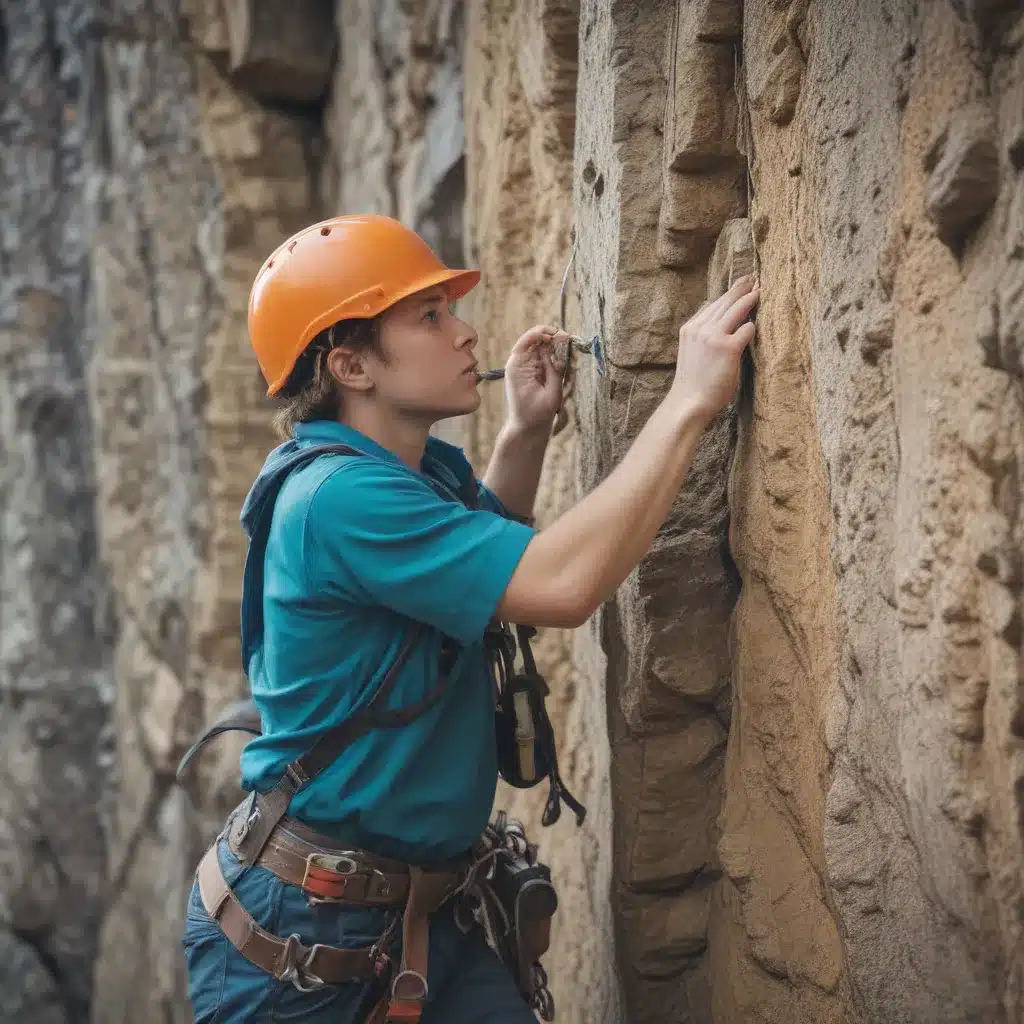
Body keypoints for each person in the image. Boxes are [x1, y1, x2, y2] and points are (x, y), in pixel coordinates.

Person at [181, 214, 758, 1023]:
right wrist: (690, 402)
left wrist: (523, 433)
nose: (465, 332)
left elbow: (469, 571)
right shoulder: (342, 499)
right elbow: (559, 586)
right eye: (428, 317)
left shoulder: (399, 473)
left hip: (403, 915)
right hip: (303, 946)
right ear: (350, 364)